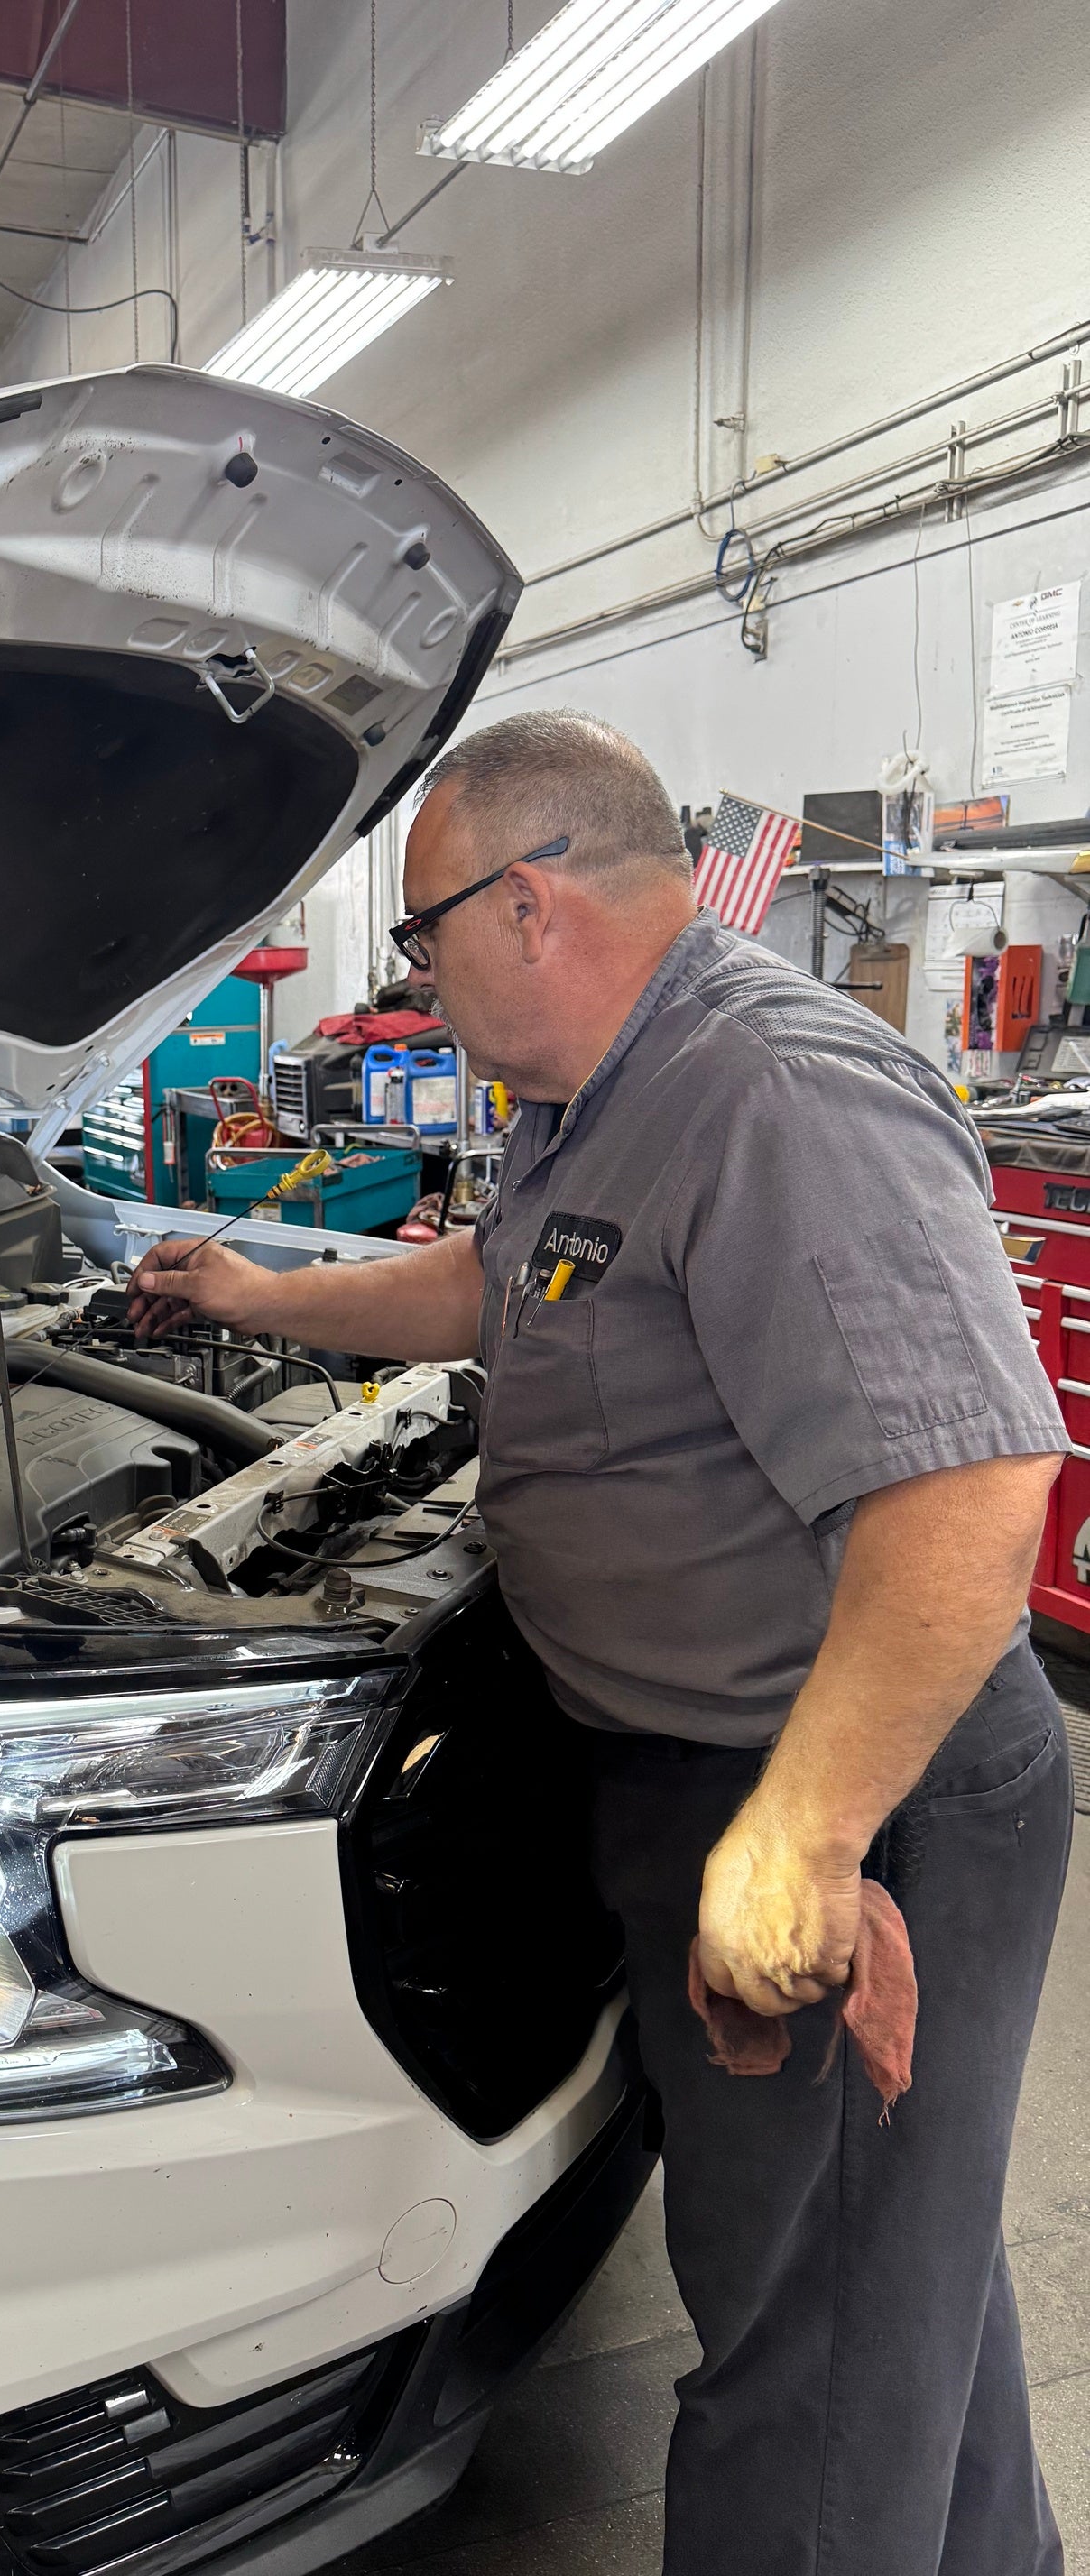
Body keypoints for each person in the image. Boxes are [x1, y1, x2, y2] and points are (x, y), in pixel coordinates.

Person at [126, 711, 1072, 2576]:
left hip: (844, 1789)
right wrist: (261, 1293)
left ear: (527, 904)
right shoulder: (597, 1101)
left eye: (417, 936)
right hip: (703, 1774)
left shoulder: (774, 1095)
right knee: (895, 2277)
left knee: (802, 2357)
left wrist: (804, 1843)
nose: (413, 977)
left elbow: (972, 1498)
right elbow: (505, 1280)